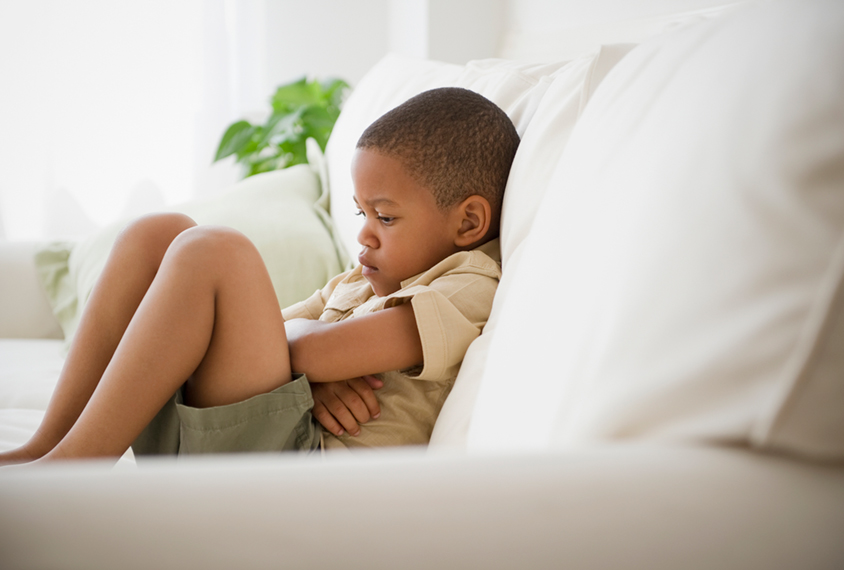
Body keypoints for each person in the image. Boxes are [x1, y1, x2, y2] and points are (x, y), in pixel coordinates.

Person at [0, 87, 519, 464]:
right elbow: (278, 338)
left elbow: (310, 350)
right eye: (360, 214)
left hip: (291, 474)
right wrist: (310, 383)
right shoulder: (361, 282)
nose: (364, 235)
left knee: (214, 249)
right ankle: (49, 445)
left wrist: (311, 365)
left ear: (468, 221)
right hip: (242, 440)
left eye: (385, 217)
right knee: (156, 233)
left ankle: (71, 471)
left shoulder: (466, 284)